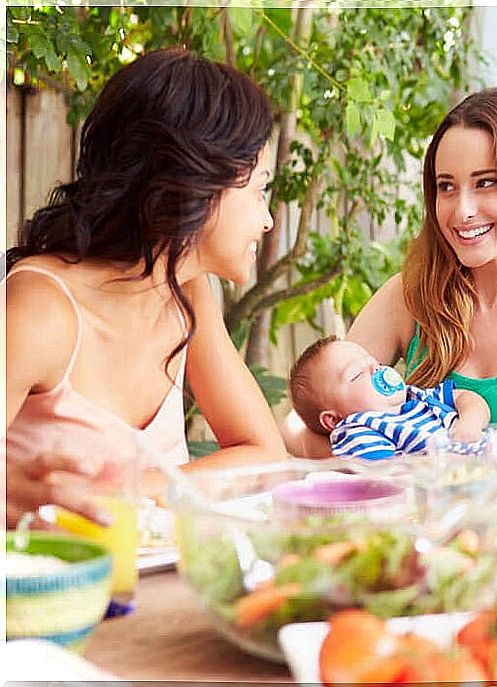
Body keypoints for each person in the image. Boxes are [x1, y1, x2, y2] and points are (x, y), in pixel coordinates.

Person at [283, 88, 497, 501]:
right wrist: (408, 475)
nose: (462, 210)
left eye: (485, 183)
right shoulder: (408, 298)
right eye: (446, 187)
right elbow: (298, 425)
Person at [4, 48, 287, 529]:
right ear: (194, 184)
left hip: (150, 586)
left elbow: (265, 458)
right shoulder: (41, 311)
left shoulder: (187, 294)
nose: (267, 219)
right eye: (259, 188)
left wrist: (130, 491)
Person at [288, 337, 497, 498]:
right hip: (476, 487)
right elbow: (389, 481)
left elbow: (469, 397)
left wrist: (468, 422)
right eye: (356, 375)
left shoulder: (415, 397)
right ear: (332, 419)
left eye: (371, 360)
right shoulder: (360, 428)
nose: (375, 369)